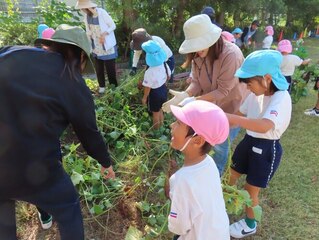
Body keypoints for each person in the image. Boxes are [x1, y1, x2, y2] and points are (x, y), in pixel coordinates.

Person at [0, 24, 115, 239]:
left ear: (52, 45)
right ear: (81, 56)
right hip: (35, 166)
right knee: (68, 209)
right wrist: (105, 162)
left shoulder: (13, 53)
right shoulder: (73, 83)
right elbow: (89, 132)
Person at [162, 14, 249, 175]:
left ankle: (215, 176)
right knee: (203, 142)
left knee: (221, 146)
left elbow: (223, 91)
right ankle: (200, 172)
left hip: (230, 107)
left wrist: (193, 100)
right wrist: (185, 94)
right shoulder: (197, 56)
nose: (197, 50)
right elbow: (196, 81)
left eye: (200, 44)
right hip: (208, 107)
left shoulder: (231, 55)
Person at [226, 50, 292, 238]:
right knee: (231, 174)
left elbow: (264, 126)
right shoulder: (255, 94)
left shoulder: (281, 98)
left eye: (250, 83)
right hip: (248, 141)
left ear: (267, 78)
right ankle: (223, 203)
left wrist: (232, 119)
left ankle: (250, 223)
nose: (247, 88)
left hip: (266, 148)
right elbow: (240, 114)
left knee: (250, 189)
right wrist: (218, 122)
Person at [168, 100, 230, 239]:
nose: (171, 125)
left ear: (198, 140)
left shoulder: (181, 181)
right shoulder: (208, 162)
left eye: (178, 123)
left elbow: (179, 227)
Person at [75, 0, 118, 93]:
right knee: (99, 69)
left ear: (88, 7)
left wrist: (104, 34)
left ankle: (114, 88)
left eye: (83, 8)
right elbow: (88, 31)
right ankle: (102, 87)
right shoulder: (87, 16)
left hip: (107, 46)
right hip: (96, 47)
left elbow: (113, 26)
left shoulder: (102, 13)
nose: (82, 10)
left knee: (110, 70)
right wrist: (87, 42)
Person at [141, 40, 170, 129]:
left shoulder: (149, 72)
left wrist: (145, 97)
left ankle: (156, 130)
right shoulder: (164, 64)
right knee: (161, 109)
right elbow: (168, 76)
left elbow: (148, 86)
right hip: (163, 89)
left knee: (155, 114)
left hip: (154, 93)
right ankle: (162, 127)